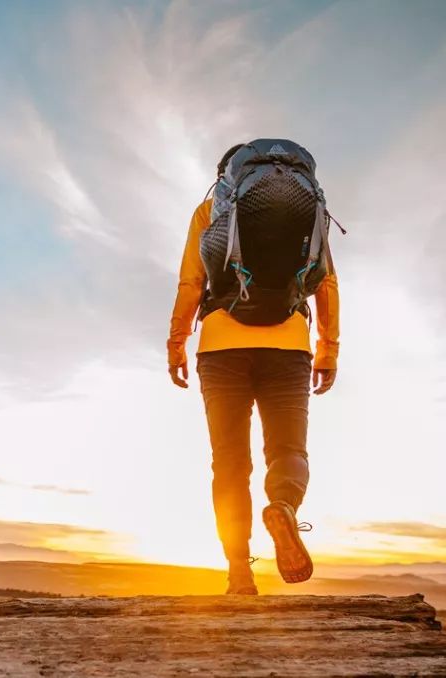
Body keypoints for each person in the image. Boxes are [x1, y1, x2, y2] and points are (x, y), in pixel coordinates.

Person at [167, 142, 340, 595]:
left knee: (229, 464)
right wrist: (329, 349)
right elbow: (326, 280)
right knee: (289, 451)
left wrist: (177, 341)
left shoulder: (210, 211)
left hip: (222, 348)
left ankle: (239, 572)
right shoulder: (309, 207)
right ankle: (281, 503)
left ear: (227, 174)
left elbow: (191, 281)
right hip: (288, 347)